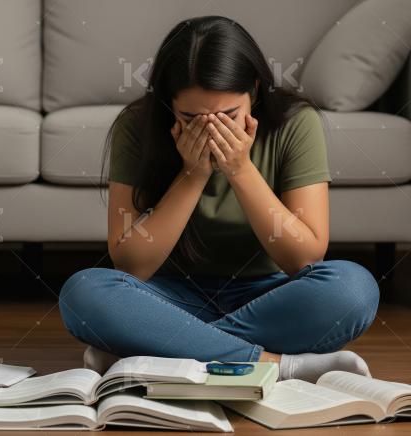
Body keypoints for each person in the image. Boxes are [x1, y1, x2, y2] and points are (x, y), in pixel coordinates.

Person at [58, 16, 379, 383]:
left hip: (267, 297)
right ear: (167, 104)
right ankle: (274, 365)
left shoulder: (295, 123)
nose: (211, 130)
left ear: (254, 92)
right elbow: (131, 265)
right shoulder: (137, 126)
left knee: (353, 288)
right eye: (190, 117)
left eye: (228, 116)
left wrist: (240, 170)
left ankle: (153, 347)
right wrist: (193, 175)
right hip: (167, 297)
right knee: (83, 292)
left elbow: (304, 258)